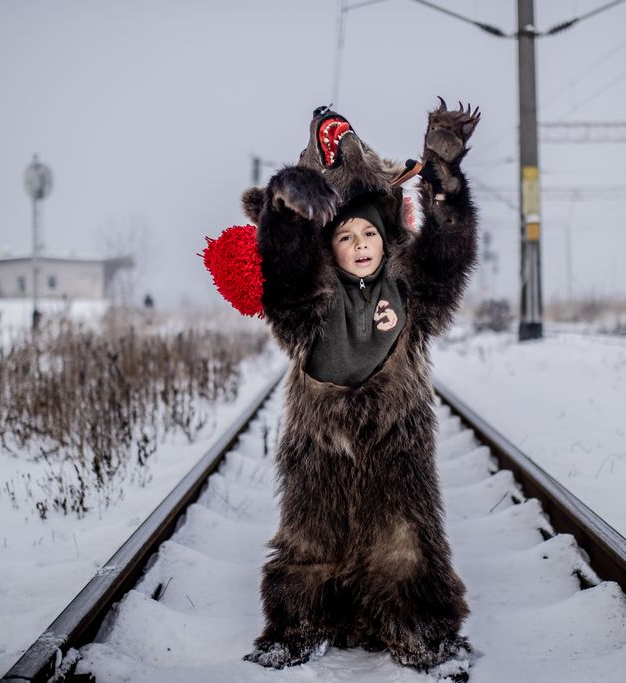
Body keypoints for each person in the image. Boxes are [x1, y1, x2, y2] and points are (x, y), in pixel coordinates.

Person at [244, 101, 480, 681]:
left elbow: (448, 256)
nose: (360, 243)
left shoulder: (410, 285)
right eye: (345, 236)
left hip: (398, 440)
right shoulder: (304, 302)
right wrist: (285, 201)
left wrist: (444, 182)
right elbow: (286, 268)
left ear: (386, 233)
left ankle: (421, 634)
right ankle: (297, 629)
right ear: (329, 244)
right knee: (308, 542)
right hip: (316, 444)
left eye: (369, 231)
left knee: (405, 542)